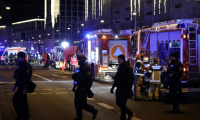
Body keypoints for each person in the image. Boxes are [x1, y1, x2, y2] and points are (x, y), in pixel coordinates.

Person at [72, 55, 98, 120]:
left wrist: (87, 88)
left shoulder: (86, 68)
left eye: (79, 60)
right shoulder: (79, 68)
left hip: (84, 88)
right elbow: (76, 78)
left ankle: (93, 111)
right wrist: (74, 86)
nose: (78, 61)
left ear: (82, 60)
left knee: (83, 104)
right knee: (77, 103)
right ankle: (79, 117)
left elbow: (90, 80)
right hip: (79, 87)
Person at [110, 54, 134, 120]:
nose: (118, 61)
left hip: (124, 88)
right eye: (118, 59)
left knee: (122, 104)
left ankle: (123, 118)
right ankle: (129, 113)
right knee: (119, 103)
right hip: (119, 88)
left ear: (123, 59)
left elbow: (131, 78)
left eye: (119, 59)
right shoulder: (120, 67)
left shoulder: (127, 68)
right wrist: (113, 87)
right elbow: (117, 78)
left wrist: (128, 87)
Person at [13, 52, 32, 120]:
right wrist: (15, 85)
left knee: (15, 100)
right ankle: (25, 116)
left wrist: (25, 88)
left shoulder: (26, 66)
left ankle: (20, 116)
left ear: (22, 58)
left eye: (18, 57)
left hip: (23, 86)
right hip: (20, 85)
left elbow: (27, 78)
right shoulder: (20, 64)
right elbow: (19, 76)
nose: (17, 58)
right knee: (23, 101)